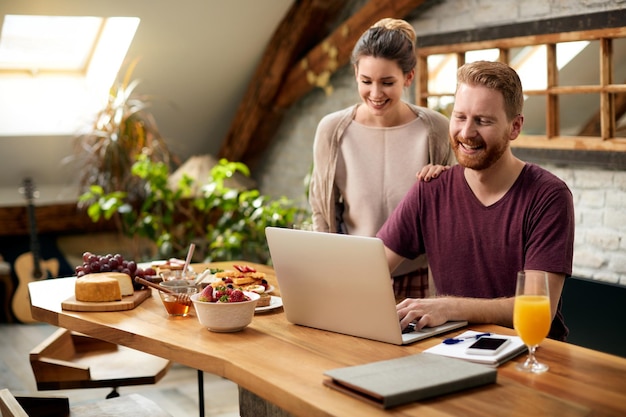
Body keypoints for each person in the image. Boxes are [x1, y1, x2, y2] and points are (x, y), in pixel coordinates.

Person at [377, 60, 575, 340]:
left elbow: (539, 308)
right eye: (460, 117)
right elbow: (372, 266)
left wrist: (449, 307)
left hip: (533, 354)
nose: (466, 133)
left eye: (483, 121)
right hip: (454, 350)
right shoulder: (430, 189)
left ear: (515, 127)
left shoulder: (548, 196)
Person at [308, 18, 455, 299]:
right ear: (355, 73)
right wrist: (326, 272)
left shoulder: (435, 128)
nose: (375, 94)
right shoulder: (333, 130)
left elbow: (454, 208)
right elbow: (321, 209)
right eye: (366, 81)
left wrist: (446, 181)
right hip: (353, 272)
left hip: (419, 277)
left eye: (387, 82)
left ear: (408, 77)